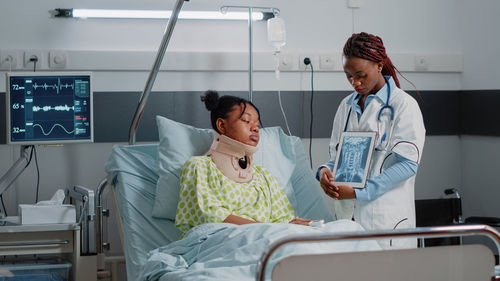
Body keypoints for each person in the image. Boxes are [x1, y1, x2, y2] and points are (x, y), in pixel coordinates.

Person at [316, 32, 425, 248]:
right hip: (348, 215)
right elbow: (337, 157)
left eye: (361, 75)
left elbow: (408, 164)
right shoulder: (346, 106)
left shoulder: (403, 105)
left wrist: (361, 192)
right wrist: (323, 172)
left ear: (379, 65)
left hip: (385, 218)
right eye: (348, 76)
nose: (355, 82)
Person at [175, 90, 311, 233]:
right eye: (246, 121)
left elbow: (283, 220)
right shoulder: (199, 167)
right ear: (221, 125)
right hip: (218, 243)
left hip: (266, 243)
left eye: (257, 125)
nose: (255, 128)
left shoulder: (264, 177)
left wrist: (293, 225)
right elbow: (207, 215)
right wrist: (266, 229)